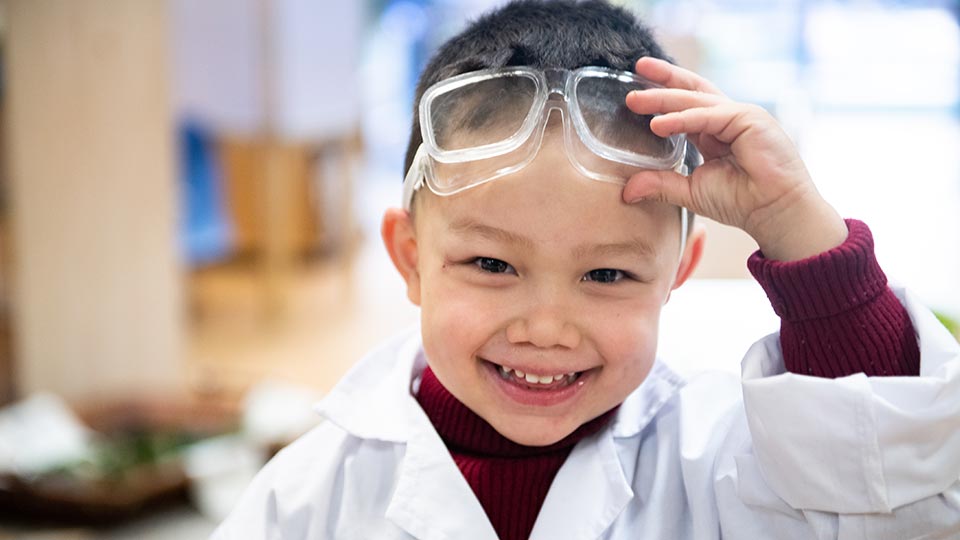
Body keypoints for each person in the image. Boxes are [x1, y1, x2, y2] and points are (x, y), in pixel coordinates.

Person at [211, 1, 960, 538]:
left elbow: (889, 490)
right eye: (492, 263)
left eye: (607, 276)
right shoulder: (306, 496)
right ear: (410, 257)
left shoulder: (730, 465)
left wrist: (797, 222)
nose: (545, 328)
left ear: (678, 273)